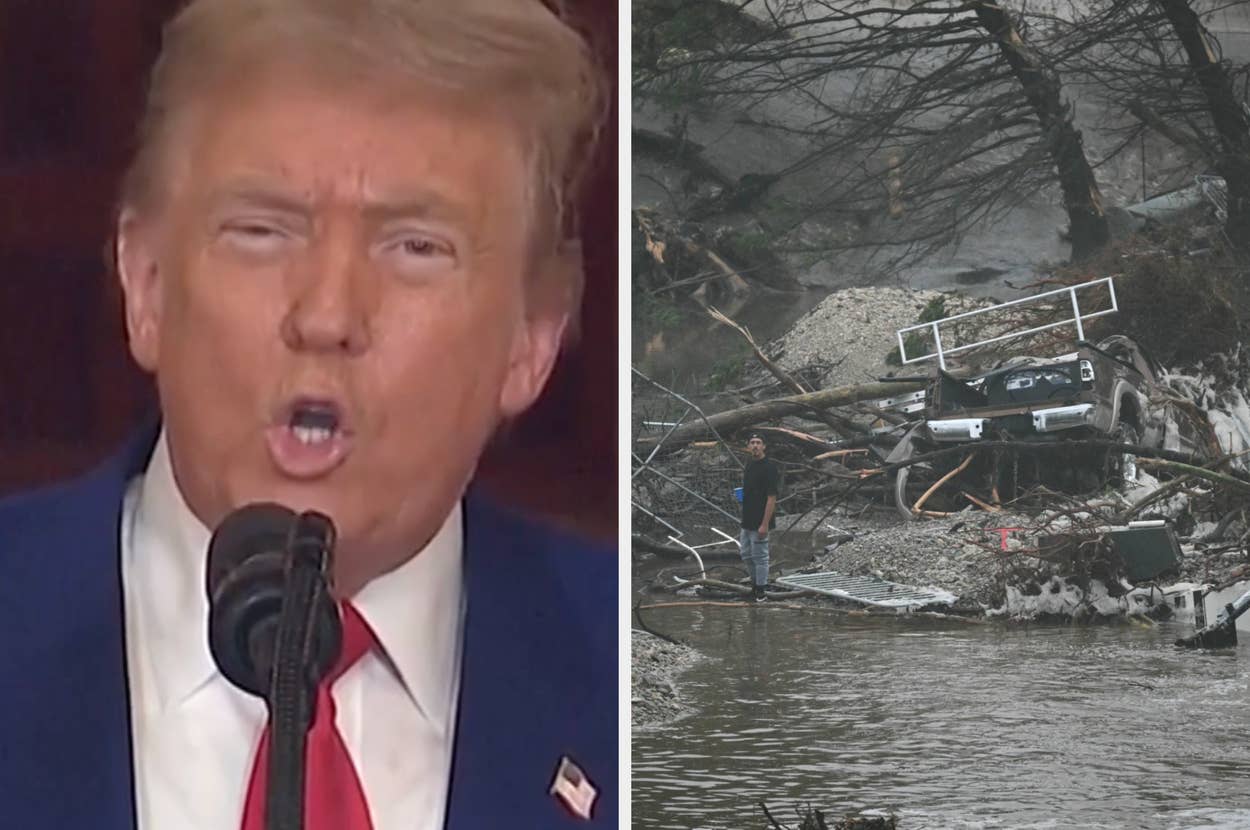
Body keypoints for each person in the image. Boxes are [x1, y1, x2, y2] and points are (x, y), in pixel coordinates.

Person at [0, 1, 615, 828]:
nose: (326, 314)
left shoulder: (649, 677)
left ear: (531, 339)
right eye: (261, 231)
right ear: (145, 284)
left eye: (415, 247)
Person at [739, 433, 779, 602]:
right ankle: (754, 584)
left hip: (760, 520)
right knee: (746, 554)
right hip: (746, 519)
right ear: (748, 446)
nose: (755, 445)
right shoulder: (749, 464)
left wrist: (764, 524)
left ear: (764, 446)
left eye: (758, 443)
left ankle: (761, 590)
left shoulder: (769, 467)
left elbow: (771, 498)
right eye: (752, 442)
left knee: (760, 556)